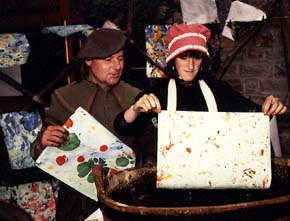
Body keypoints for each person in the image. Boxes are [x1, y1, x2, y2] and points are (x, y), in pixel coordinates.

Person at [114, 23, 287, 164]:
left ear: (203, 60)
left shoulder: (218, 89)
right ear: (173, 60)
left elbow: (255, 114)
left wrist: (269, 108)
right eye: (183, 58)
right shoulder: (157, 93)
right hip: (171, 178)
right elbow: (122, 127)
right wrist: (135, 109)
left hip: (213, 173)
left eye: (196, 57)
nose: (190, 65)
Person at [31, 28, 142, 221]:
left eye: (120, 58)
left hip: (127, 195)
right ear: (89, 60)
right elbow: (39, 151)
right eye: (108, 60)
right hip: (80, 197)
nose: (116, 66)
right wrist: (43, 142)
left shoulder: (134, 97)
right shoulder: (64, 97)